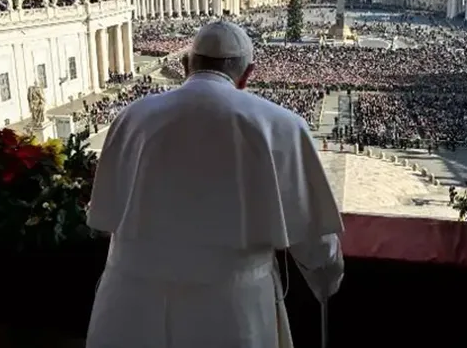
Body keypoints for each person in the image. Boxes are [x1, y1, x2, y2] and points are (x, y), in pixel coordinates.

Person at [86, 20, 345, 348]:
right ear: (248, 75)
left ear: (184, 65)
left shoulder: (130, 117)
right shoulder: (280, 126)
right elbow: (316, 245)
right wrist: (326, 284)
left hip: (128, 302)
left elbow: (104, 213)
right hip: (231, 310)